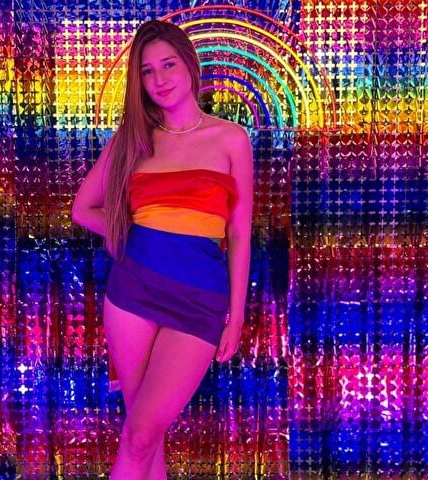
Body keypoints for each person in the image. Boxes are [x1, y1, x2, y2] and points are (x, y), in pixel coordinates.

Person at [71, 19, 253, 480]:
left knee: (143, 433)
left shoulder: (231, 139)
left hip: (199, 302)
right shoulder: (133, 139)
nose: (160, 79)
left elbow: (238, 233)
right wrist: (128, 235)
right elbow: (82, 208)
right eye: (147, 71)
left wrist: (236, 315)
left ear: (189, 64)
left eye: (168, 64)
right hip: (133, 294)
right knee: (142, 436)